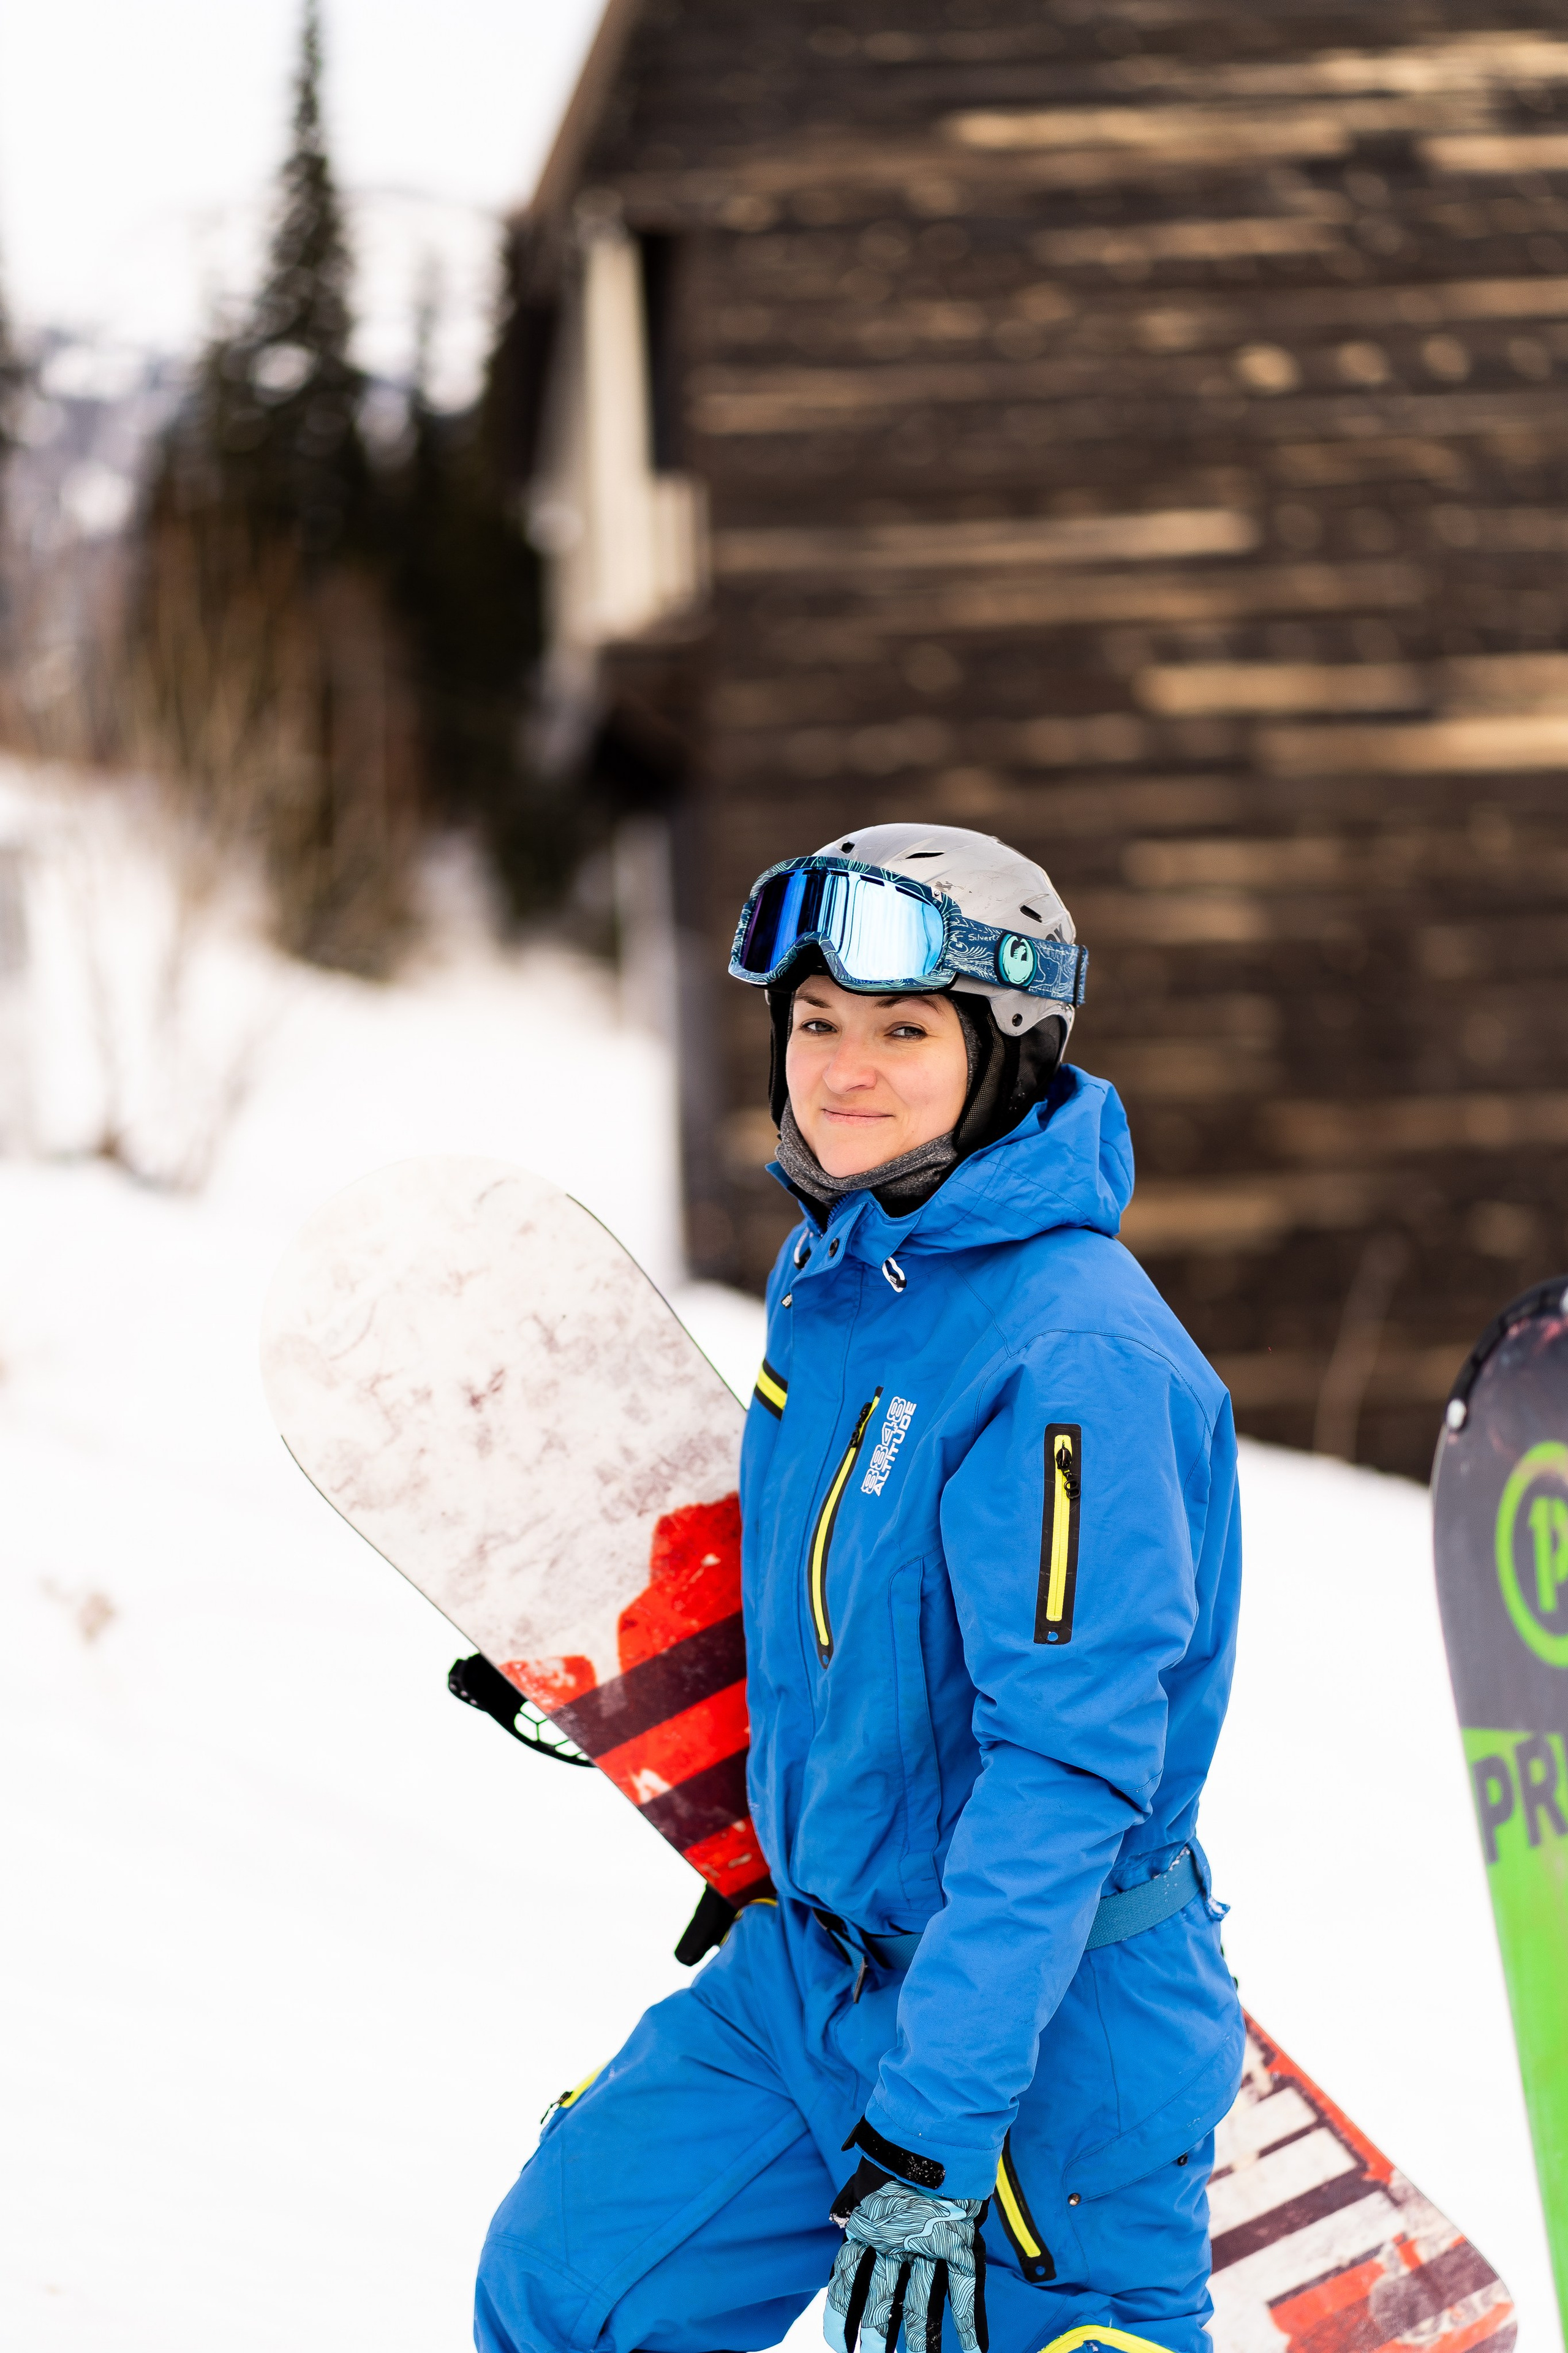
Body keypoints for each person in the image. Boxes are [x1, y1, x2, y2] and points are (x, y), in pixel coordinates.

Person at [475, 824, 1244, 2353]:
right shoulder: (842, 1277)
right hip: (806, 1981)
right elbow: (845, 1618)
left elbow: (1068, 1767)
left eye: (900, 1029)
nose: (842, 1069)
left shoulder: (1069, 1353)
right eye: (815, 1023)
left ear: (1007, 1055)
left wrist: (936, 2127)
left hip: (1029, 2035)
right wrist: (634, 1688)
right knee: (574, 2285)